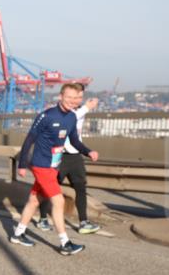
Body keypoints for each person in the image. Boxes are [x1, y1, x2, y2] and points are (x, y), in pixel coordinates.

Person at [9, 82, 100, 255]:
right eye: (69, 97)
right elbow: (29, 139)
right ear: (61, 96)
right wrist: (22, 164)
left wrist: (88, 152)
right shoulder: (46, 116)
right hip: (40, 164)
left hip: (53, 165)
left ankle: (18, 234)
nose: (72, 101)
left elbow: (73, 141)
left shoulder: (72, 117)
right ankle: (65, 243)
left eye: (76, 98)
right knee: (59, 202)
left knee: (34, 201)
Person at [36, 95, 101, 234]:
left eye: (79, 97)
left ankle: (83, 222)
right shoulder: (67, 113)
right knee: (49, 189)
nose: (76, 100)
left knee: (80, 188)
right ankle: (42, 219)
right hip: (59, 155)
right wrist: (86, 107)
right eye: (73, 97)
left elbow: (75, 138)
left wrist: (87, 151)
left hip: (75, 156)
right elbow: (71, 117)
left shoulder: (78, 112)